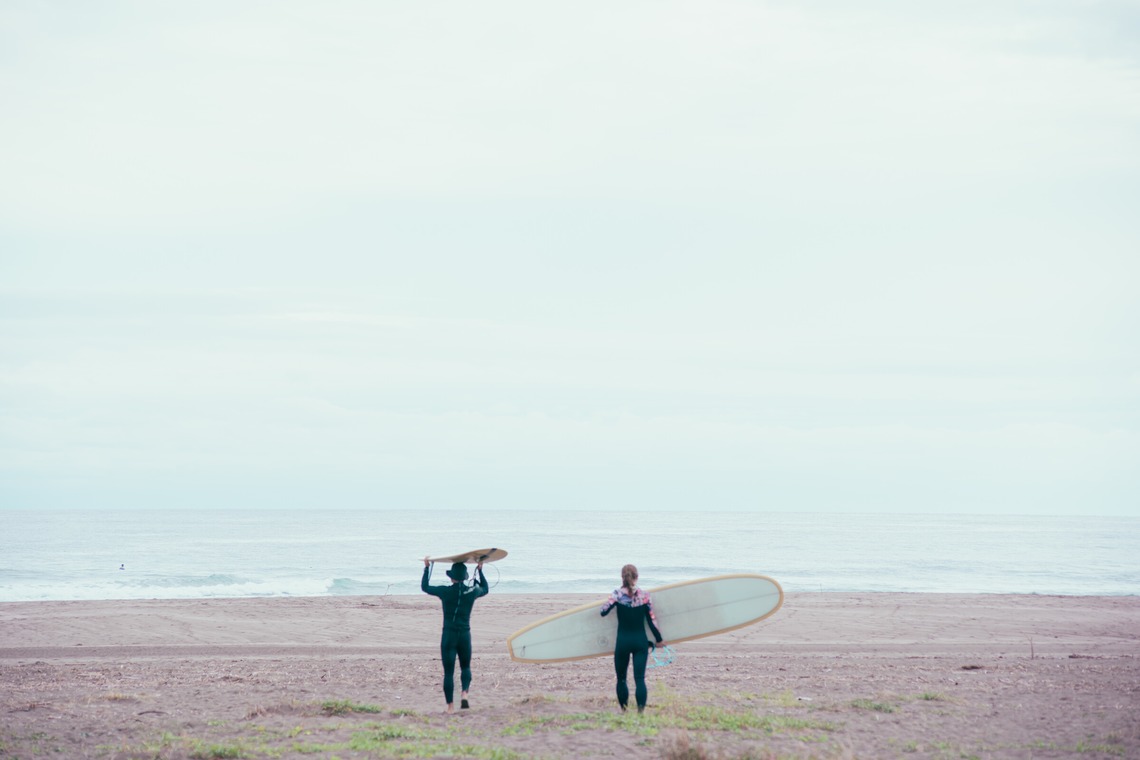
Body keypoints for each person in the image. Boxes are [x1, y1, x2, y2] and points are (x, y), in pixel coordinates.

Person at [421, 557, 489, 713]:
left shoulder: (445, 591)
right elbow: (485, 588)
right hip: (464, 634)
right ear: (465, 577)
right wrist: (480, 571)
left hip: (449, 635)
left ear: (451, 577)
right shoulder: (472, 591)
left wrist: (427, 568)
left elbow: (425, 587)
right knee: (465, 667)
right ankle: (464, 694)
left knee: (449, 672)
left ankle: (450, 707)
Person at [600, 563, 664, 714]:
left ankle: (624, 711)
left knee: (621, 679)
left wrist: (614, 601)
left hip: (623, 642)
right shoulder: (645, 596)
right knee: (640, 679)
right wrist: (659, 639)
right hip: (640, 642)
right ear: (637, 577)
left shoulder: (617, 594)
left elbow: (603, 612)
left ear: (622, 577)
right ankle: (640, 712)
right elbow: (651, 620)